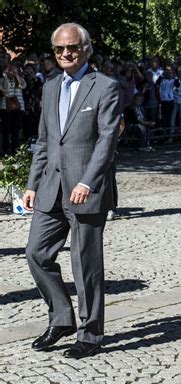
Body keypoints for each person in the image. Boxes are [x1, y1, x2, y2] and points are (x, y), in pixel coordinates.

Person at [22, 23, 121, 359]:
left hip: (86, 190)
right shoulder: (50, 88)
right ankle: (62, 317)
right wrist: (32, 183)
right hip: (51, 188)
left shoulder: (105, 87)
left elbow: (107, 140)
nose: (66, 53)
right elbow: (46, 140)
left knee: (86, 265)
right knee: (36, 253)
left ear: (86, 49)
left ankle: (90, 334)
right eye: (60, 49)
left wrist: (87, 181)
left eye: (73, 48)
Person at [2, 62, 27, 155]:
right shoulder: (2, 79)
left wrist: (16, 74)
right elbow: (4, 91)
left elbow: (23, 86)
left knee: (15, 130)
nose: (10, 71)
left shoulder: (20, 79)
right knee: (6, 129)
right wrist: (5, 77)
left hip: (19, 108)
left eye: (12, 69)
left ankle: (15, 150)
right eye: (8, 69)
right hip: (5, 108)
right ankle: (5, 150)